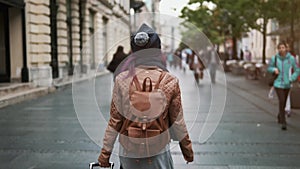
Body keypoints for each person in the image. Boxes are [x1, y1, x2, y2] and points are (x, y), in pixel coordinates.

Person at [98, 23, 194, 168]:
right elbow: (178, 121)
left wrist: (104, 156)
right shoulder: (170, 81)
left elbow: (115, 121)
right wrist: (187, 152)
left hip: (129, 151)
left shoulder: (122, 80)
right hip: (158, 151)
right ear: (158, 51)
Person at [267, 42, 299, 130]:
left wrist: (291, 78)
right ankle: (283, 121)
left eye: (283, 47)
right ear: (278, 49)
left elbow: (297, 70)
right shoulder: (275, 58)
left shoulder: (291, 59)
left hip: (287, 83)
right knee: (281, 100)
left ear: (286, 48)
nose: (282, 49)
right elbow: (269, 68)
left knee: (284, 101)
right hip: (278, 83)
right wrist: (274, 69)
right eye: (280, 48)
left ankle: (280, 115)